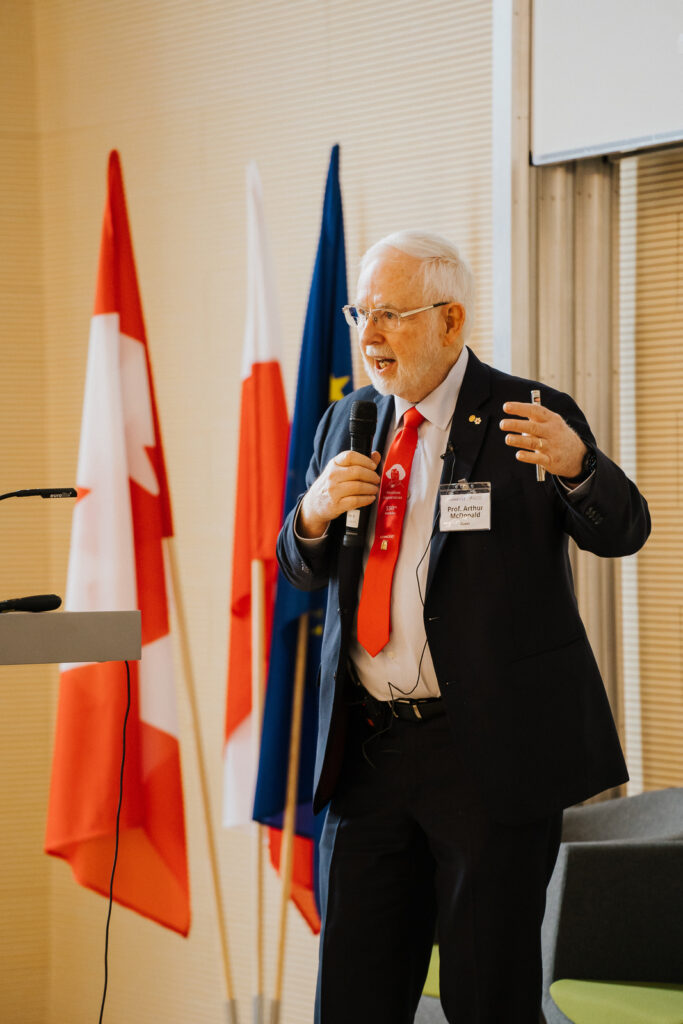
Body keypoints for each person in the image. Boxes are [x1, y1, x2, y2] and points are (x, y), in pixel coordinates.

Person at [277, 231, 650, 1024]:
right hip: (368, 753)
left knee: (488, 992)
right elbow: (301, 568)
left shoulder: (526, 415)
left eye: (390, 315)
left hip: (484, 757)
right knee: (351, 993)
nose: (368, 336)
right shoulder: (347, 420)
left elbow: (621, 532)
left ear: (449, 320)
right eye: (359, 313)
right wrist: (311, 513)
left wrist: (580, 466)